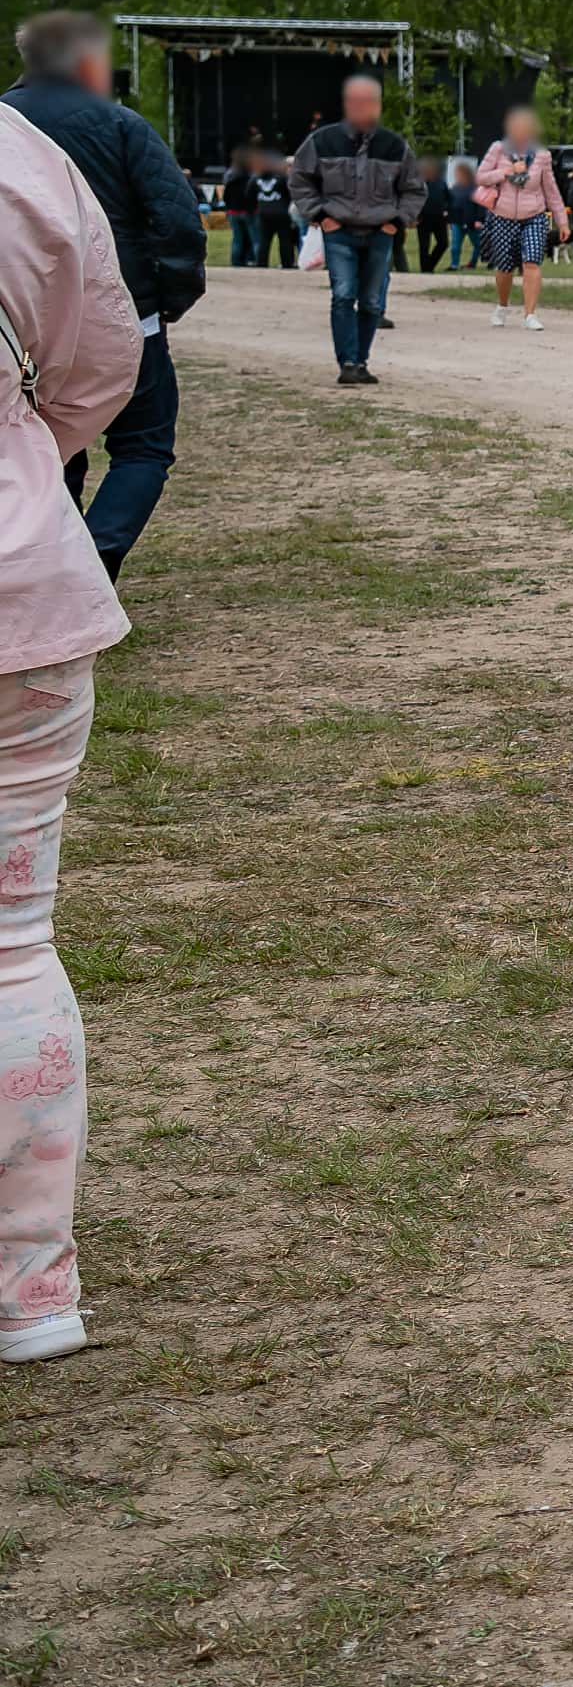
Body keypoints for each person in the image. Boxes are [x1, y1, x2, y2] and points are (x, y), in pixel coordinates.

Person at [0, 98, 144, 1364]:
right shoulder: (20, 162)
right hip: (19, 596)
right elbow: (101, 359)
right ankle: (32, 1286)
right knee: (13, 944)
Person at [5, 12, 203, 578]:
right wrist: (167, 302)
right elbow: (177, 222)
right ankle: (92, 562)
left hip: (19, 328)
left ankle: (50, 573)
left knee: (41, 452)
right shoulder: (120, 125)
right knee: (142, 445)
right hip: (120, 317)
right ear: (87, 61)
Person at [288, 73, 427, 386]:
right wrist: (320, 214)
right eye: (356, 101)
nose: (363, 107)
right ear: (347, 105)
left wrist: (397, 221)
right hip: (338, 230)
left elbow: (414, 189)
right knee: (343, 294)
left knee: (371, 302)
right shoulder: (322, 141)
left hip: (380, 231)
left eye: (369, 102)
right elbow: (299, 179)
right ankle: (347, 362)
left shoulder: (394, 146)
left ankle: (361, 360)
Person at [472, 106, 569, 329]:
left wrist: (562, 221)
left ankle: (530, 314)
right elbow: (480, 177)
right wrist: (505, 172)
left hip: (533, 215)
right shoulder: (498, 149)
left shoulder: (542, 155)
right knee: (505, 267)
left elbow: (551, 190)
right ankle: (502, 305)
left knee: (531, 262)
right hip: (502, 216)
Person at [221, 142, 272, 268]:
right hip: (248, 212)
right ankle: (258, 261)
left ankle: (236, 262)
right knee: (255, 238)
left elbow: (225, 197)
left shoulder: (230, 180)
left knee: (237, 239)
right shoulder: (252, 179)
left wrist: (228, 209)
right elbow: (252, 196)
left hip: (233, 212)